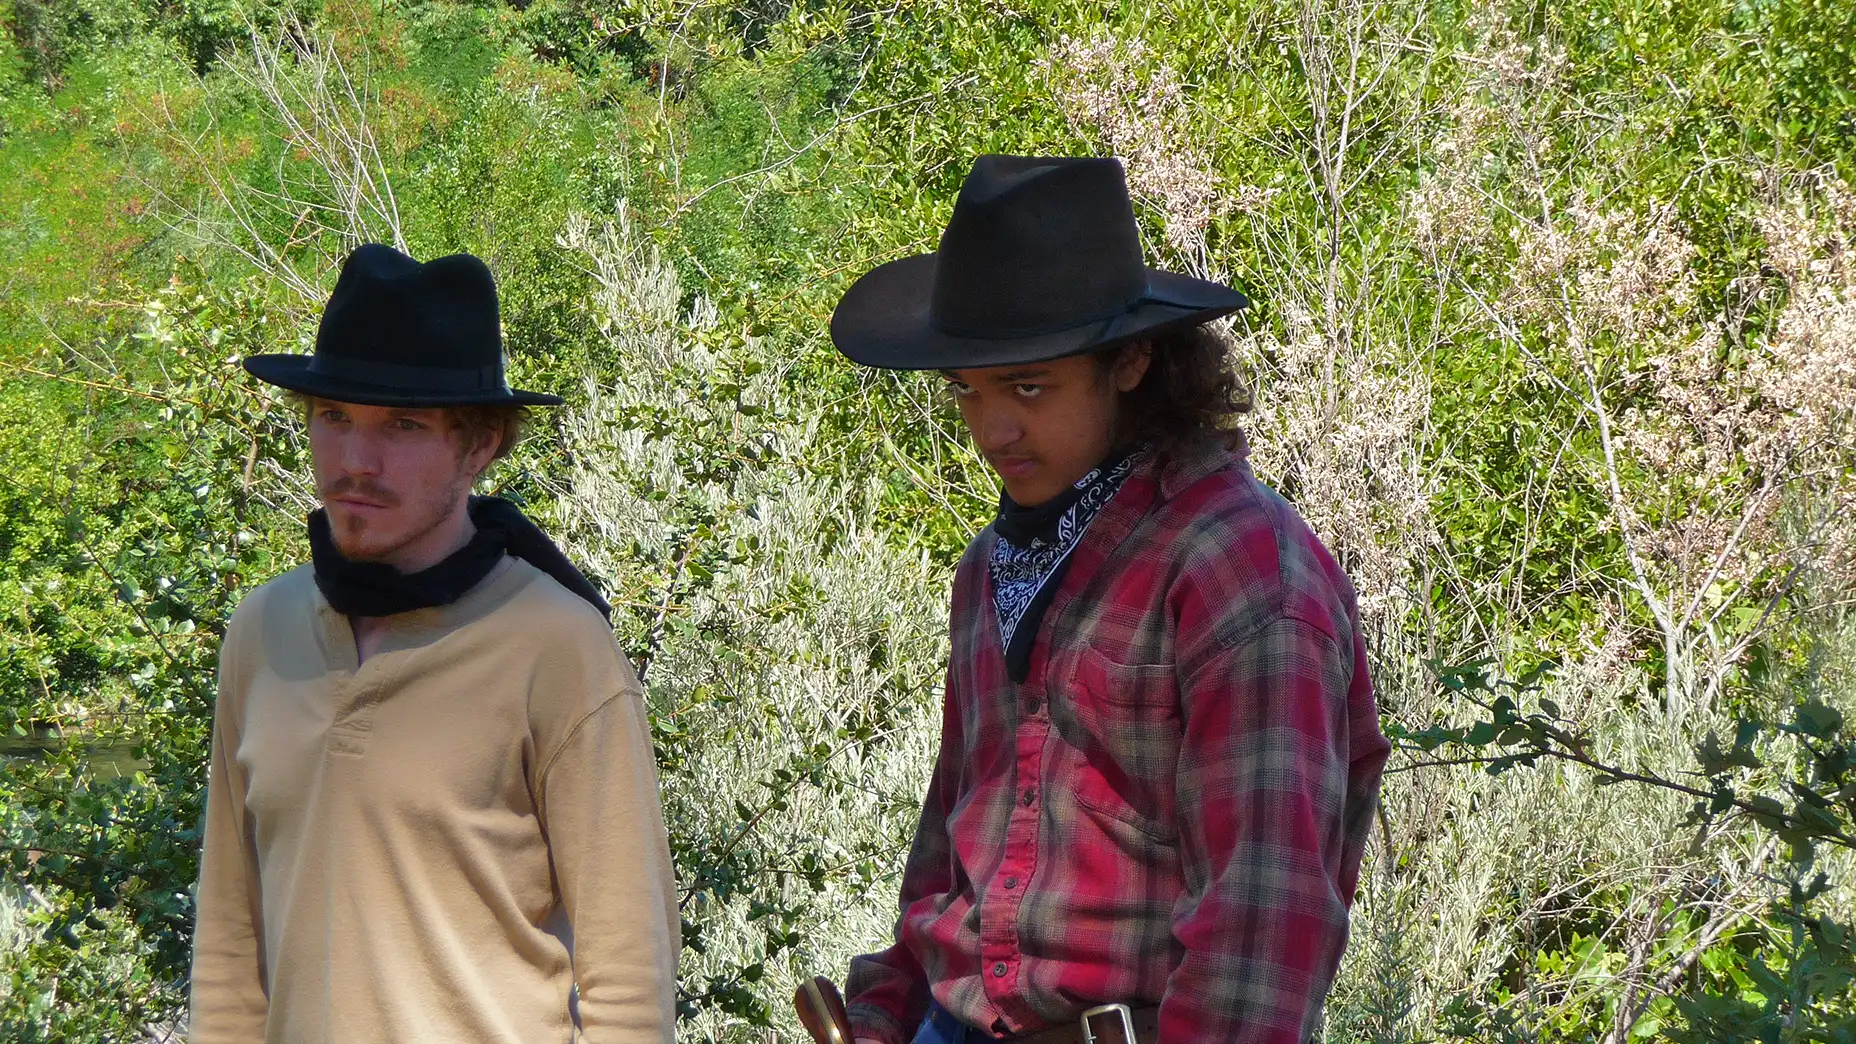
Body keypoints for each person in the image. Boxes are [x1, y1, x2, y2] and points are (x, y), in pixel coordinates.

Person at [826, 156, 1390, 1044]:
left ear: (1130, 361)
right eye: (967, 390)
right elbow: (951, 844)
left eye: (1028, 386)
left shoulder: (1241, 571)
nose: (991, 429)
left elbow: (1261, 927)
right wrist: (883, 1011)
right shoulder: (993, 569)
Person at [188, 244, 679, 1043]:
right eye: (333, 416)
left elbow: (629, 976)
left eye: (403, 425)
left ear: (479, 445)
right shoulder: (263, 633)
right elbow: (228, 943)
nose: (355, 460)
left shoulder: (555, 645)